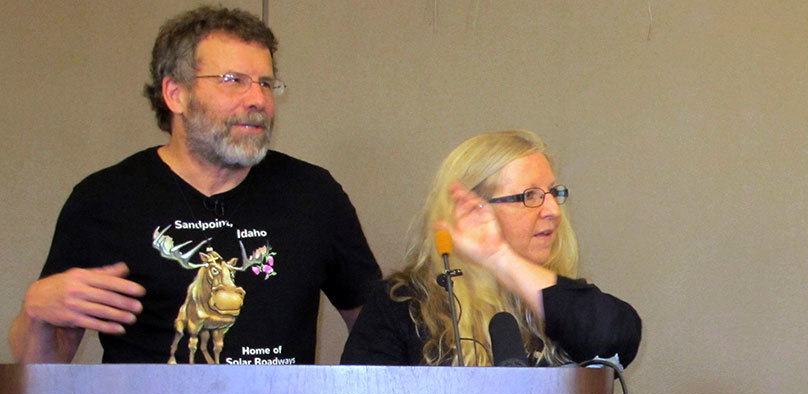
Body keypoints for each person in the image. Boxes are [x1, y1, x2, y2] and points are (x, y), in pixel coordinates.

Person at [9, 5, 380, 365]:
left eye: (266, 83)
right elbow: (42, 368)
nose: (258, 100)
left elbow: (379, 334)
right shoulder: (104, 200)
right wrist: (37, 310)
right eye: (233, 80)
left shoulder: (314, 196)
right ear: (176, 94)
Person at [341, 130, 640, 367]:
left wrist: (501, 259)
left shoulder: (564, 305)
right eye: (530, 195)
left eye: (552, 193)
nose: (553, 211)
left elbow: (616, 337)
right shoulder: (402, 306)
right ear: (471, 210)